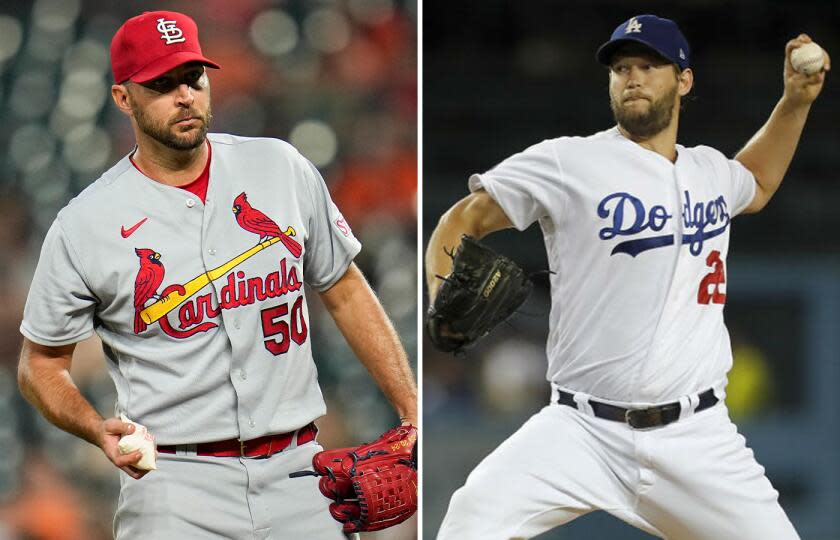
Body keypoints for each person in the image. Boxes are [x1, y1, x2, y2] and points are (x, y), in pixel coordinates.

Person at [426, 14, 829, 540]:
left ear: (684, 80)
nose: (632, 77)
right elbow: (465, 217)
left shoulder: (709, 171)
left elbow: (757, 180)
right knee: (469, 520)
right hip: (578, 431)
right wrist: (439, 290)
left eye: (648, 65)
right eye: (621, 68)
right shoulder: (570, 161)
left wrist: (795, 102)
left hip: (697, 438)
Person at [17, 10, 417, 539]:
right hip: (174, 484)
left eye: (192, 78)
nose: (184, 95)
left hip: (299, 471)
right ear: (122, 99)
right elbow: (40, 364)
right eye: (162, 84)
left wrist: (410, 405)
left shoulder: (281, 167)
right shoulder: (85, 223)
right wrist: (96, 429)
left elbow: (343, 288)